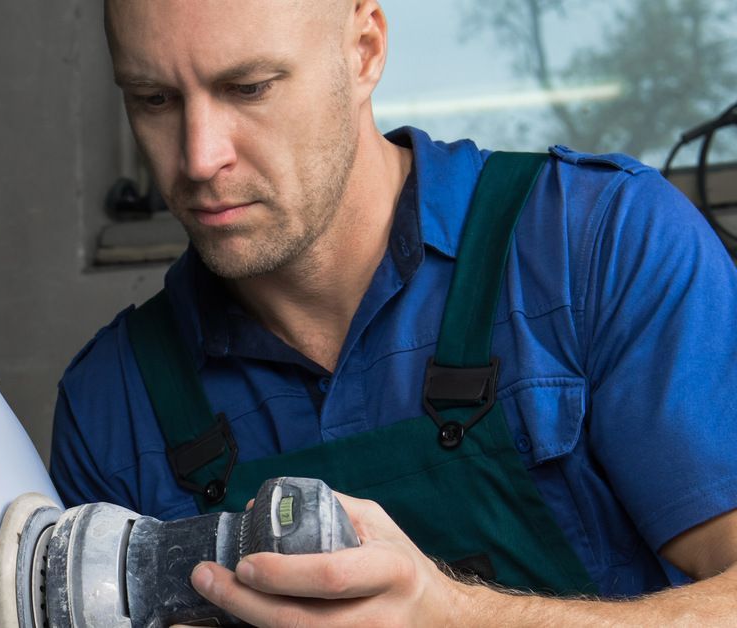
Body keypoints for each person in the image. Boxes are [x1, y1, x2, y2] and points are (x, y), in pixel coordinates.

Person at [50, 0, 737, 624]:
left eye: (249, 88)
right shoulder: (112, 406)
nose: (200, 157)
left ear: (365, 50)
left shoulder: (599, 244)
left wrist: (456, 616)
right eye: (154, 99)